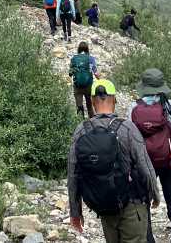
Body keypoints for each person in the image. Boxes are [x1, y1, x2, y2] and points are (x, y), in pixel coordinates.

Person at [68, 79, 160, 243]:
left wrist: (75, 212)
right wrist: (155, 193)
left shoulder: (82, 130)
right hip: (132, 205)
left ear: (93, 101)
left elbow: (73, 174)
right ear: (115, 100)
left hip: (103, 206)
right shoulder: (127, 128)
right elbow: (145, 165)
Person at [128, 69, 171, 243]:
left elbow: (129, 140)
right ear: (162, 87)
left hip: (143, 164)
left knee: (144, 206)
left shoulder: (134, 108)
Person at [69, 42, 100, 118]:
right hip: (88, 86)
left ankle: (80, 122)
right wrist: (101, 80)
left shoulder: (74, 59)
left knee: (79, 106)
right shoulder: (90, 58)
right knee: (89, 104)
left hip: (77, 86)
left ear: (79, 49)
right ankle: (92, 121)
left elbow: (70, 73)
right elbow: (96, 73)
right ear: (87, 49)